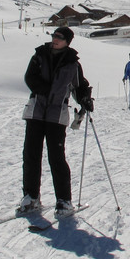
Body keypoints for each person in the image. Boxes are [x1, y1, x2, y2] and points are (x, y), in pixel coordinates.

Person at [20, 26, 93, 215]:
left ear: (67, 41)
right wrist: (46, 91)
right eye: (54, 36)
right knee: (31, 154)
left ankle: (64, 200)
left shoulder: (72, 63)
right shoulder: (39, 55)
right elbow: (30, 78)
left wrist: (85, 98)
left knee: (56, 157)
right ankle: (31, 196)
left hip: (57, 113)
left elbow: (79, 86)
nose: (55, 39)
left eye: (59, 37)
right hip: (36, 110)